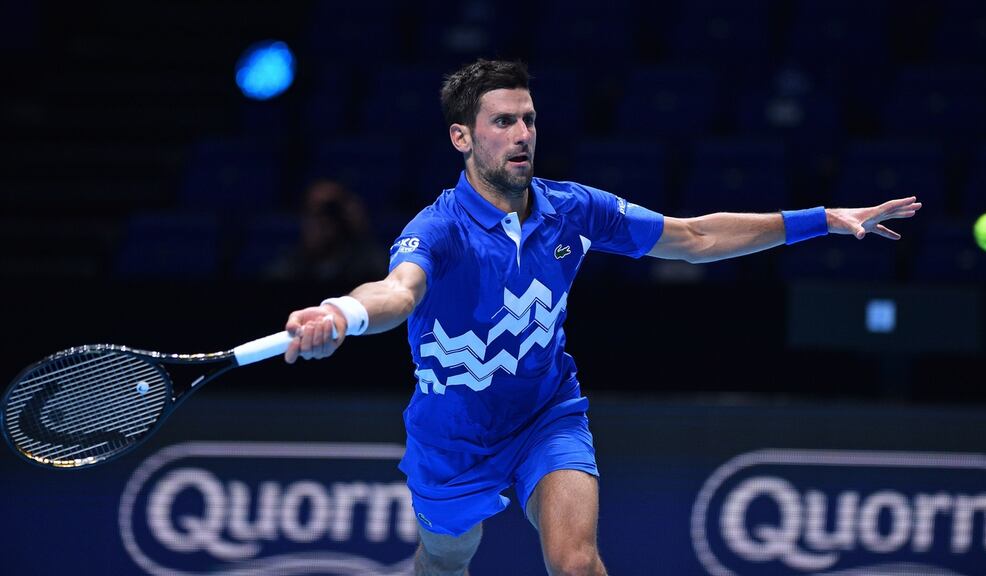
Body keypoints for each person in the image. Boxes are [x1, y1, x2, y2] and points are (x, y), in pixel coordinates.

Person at [281, 59, 921, 576]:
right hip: (451, 437)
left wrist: (825, 220)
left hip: (545, 415)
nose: (522, 134)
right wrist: (341, 314)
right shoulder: (439, 228)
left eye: (528, 119)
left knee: (577, 563)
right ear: (462, 137)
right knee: (447, 560)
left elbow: (694, 237)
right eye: (503, 122)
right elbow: (397, 292)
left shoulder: (573, 209)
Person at [262, 178, 387, 287]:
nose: (322, 221)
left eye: (330, 212)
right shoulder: (289, 267)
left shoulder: (368, 264)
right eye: (314, 214)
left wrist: (360, 232)